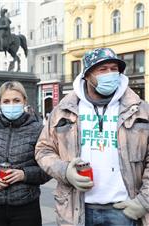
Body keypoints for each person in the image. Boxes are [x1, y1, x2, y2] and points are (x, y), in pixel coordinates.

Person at [35, 48, 149, 226]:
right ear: (87, 75)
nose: (110, 74)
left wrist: (143, 201)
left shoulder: (140, 109)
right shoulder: (63, 110)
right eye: (102, 70)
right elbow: (43, 150)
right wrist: (65, 171)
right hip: (75, 210)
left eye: (114, 69)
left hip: (124, 209)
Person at [0, 81, 50, 226]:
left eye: (16, 100)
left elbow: (48, 168)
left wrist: (25, 174)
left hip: (26, 206)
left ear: (24, 101)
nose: (11, 104)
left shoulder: (37, 129)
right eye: (6, 101)